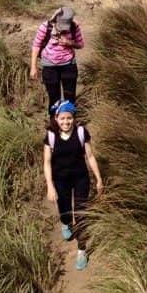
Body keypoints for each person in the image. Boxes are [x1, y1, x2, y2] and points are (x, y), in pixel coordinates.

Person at [43, 100, 103, 270]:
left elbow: (90, 157)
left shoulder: (81, 132)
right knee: (65, 211)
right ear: (56, 118)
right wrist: (50, 186)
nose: (66, 122)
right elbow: (47, 162)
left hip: (80, 179)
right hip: (60, 180)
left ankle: (81, 250)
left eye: (69, 118)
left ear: (74, 118)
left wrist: (98, 179)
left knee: (81, 214)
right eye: (62, 118)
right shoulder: (51, 135)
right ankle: (65, 222)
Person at [30, 7, 84, 123]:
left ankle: (69, 122)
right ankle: (54, 122)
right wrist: (33, 67)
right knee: (54, 97)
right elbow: (36, 45)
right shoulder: (45, 27)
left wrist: (69, 43)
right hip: (49, 66)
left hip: (68, 65)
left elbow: (80, 44)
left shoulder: (74, 27)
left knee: (70, 96)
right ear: (56, 19)